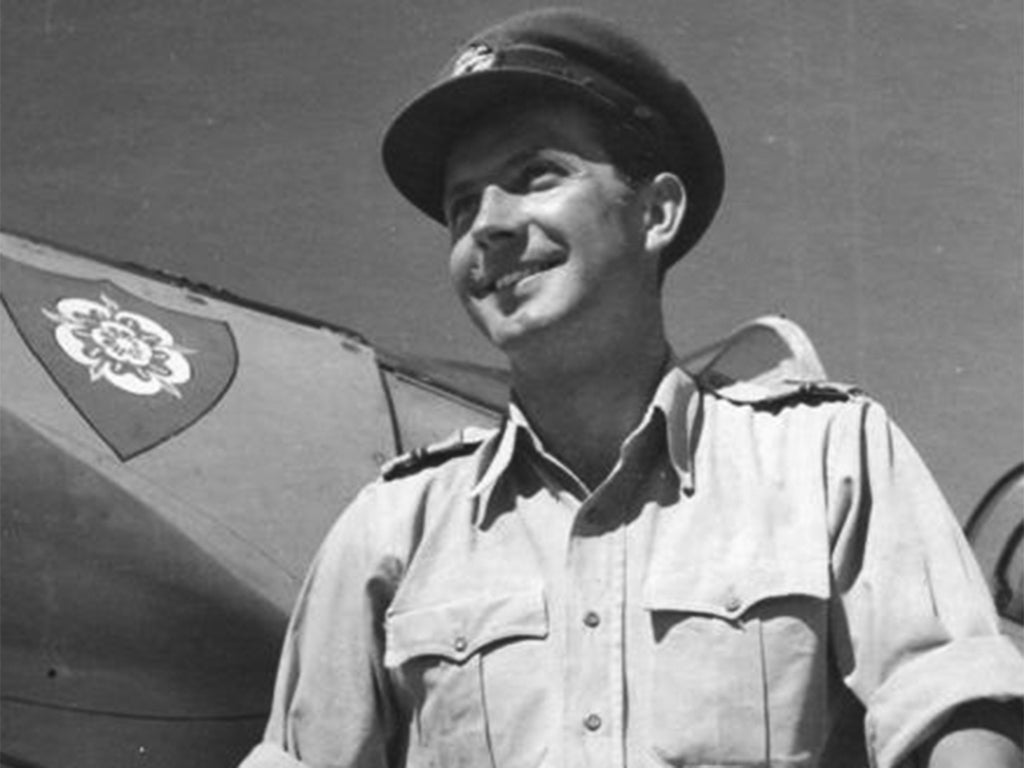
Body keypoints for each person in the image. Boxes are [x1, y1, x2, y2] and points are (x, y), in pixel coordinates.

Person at [239, 8, 1023, 767]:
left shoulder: (827, 459)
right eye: (461, 206)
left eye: (535, 175)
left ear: (656, 213)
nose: (489, 225)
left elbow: (960, 709)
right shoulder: (389, 529)